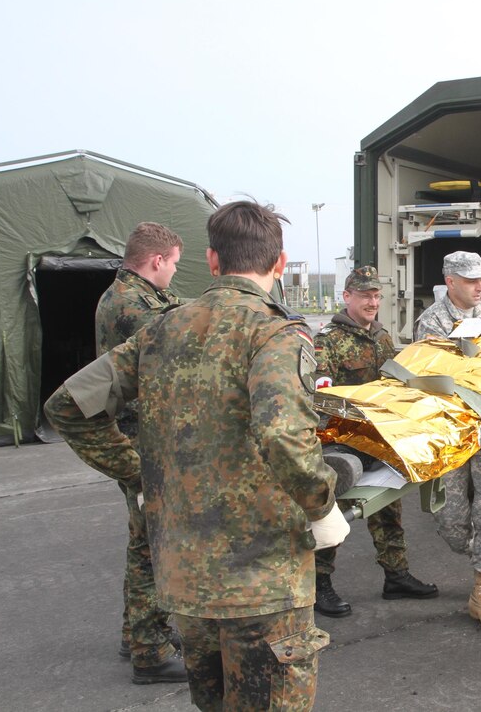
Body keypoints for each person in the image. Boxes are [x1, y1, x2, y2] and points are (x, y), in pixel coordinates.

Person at [45, 200, 349, 711]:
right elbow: (282, 434)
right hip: (264, 584)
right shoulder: (275, 332)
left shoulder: (161, 328)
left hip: (187, 580)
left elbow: (67, 406)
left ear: (211, 261)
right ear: (280, 263)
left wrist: (141, 472)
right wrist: (322, 506)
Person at [312, 265, 438, 618]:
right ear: (347, 297)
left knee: (388, 508)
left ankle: (396, 577)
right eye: (365, 295)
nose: (372, 301)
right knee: (332, 513)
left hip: (379, 437)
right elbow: (321, 398)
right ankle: (320, 586)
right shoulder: (328, 342)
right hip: (341, 441)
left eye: (376, 295)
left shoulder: (381, 337)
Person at [94, 221, 185, 683]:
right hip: (142, 440)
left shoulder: (132, 295)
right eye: (173, 264)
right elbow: (179, 336)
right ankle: (149, 652)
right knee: (152, 545)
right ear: (157, 261)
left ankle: (138, 635)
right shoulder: (132, 305)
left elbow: (178, 308)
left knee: (142, 540)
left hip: (139, 434)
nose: (174, 273)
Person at [414, 250, 481, 635]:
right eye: (471, 280)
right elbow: (428, 380)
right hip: (452, 432)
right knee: (452, 522)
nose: (479, 286)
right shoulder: (432, 323)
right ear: (450, 281)